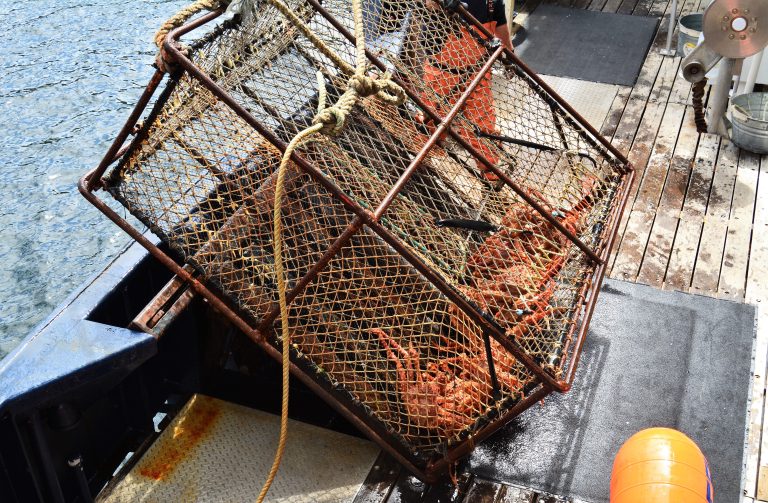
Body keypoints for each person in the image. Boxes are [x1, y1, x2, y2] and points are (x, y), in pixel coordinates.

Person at [419, 0, 513, 180]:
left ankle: (492, 182)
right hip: (442, 73)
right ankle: (419, 171)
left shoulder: (492, 2)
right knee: (431, 122)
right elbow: (428, 5)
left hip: (478, 74)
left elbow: (501, 26)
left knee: (483, 130)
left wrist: (509, 55)